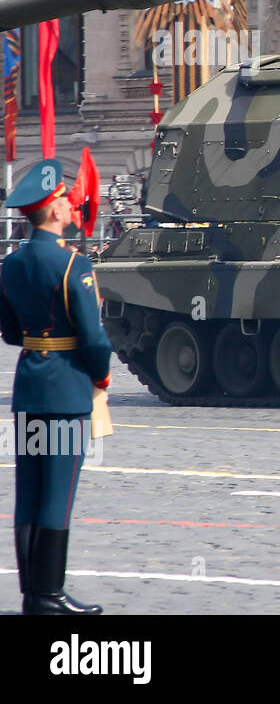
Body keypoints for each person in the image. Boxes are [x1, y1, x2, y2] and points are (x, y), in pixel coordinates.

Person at [1, 159, 112, 615]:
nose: (69, 203)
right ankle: (49, 596)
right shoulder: (73, 264)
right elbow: (95, 340)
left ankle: (32, 592)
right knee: (58, 495)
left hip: (29, 387)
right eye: (63, 198)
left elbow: (8, 332)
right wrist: (100, 377)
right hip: (67, 392)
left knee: (28, 492)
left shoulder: (10, 265)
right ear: (51, 211)